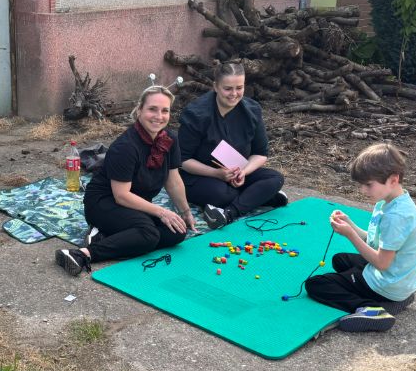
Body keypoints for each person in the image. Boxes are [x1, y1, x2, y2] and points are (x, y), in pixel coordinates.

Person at [55, 84, 196, 276]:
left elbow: (173, 180)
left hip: (136, 204)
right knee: (149, 234)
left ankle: (109, 236)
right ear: (139, 110)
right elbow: (121, 195)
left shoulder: (170, 138)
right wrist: (162, 212)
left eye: (165, 110)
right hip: (104, 203)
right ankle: (83, 253)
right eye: (152, 109)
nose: (159, 116)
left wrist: (185, 212)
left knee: (177, 231)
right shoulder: (126, 146)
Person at [305, 142, 416, 332]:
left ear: (393, 179)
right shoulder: (389, 201)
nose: (363, 190)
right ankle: (397, 299)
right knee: (340, 260)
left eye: (368, 185)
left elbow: (382, 263)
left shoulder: (396, 217)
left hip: (388, 282)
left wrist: (350, 235)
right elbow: (375, 241)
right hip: (401, 280)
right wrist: (350, 223)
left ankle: (371, 308)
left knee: (316, 284)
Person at [177, 62, 287, 229]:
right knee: (221, 194)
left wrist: (244, 172)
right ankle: (259, 197)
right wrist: (216, 173)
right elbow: (182, 160)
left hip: (237, 172)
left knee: (275, 178)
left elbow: (260, 153)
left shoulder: (252, 110)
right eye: (228, 89)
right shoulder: (196, 114)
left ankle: (230, 213)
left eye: (239, 88)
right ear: (215, 86)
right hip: (200, 175)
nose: (234, 94)